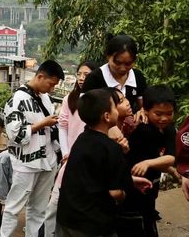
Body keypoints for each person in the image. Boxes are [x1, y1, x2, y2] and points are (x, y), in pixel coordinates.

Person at [57, 88, 149, 237]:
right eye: (114, 106)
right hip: (93, 224)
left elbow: (93, 177)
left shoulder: (81, 140)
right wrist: (124, 193)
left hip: (67, 218)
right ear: (107, 116)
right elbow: (114, 192)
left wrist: (129, 180)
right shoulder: (112, 148)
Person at [0, 60, 64, 237]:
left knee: (39, 209)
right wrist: (42, 123)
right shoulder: (17, 99)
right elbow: (15, 134)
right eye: (51, 84)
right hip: (26, 162)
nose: (51, 89)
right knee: (13, 207)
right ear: (40, 76)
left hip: (48, 160)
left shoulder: (45, 98)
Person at [43, 61, 97, 237]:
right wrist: (66, 152)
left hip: (89, 161)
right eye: (79, 74)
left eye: (86, 75)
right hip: (69, 160)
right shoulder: (70, 99)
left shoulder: (100, 100)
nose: (81, 78)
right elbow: (63, 126)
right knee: (54, 204)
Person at [122, 85, 177, 237]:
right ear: (145, 110)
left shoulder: (169, 130)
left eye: (169, 113)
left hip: (151, 184)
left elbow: (170, 158)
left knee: (147, 219)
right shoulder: (138, 129)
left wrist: (148, 163)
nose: (164, 118)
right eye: (158, 114)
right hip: (131, 186)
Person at [82, 34, 148, 121]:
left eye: (128, 64)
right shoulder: (94, 79)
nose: (123, 68)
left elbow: (144, 106)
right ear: (108, 56)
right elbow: (85, 111)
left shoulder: (138, 77)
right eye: (118, 63)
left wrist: (142, 112)